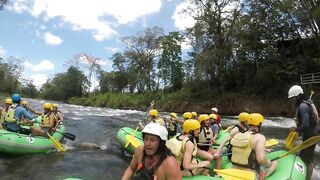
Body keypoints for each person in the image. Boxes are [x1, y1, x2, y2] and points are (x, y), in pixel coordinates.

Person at [229, 113, 278, 178]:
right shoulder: (259, 137)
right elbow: (261, 159)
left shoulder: (238, 135)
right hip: (249, 174)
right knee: (275, 163)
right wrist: (270, 163)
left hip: (233, 170)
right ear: (259, 124)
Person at [288, 85, 317, 180]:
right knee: (303, 157)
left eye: (292, 98)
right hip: (312, 135)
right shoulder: (307, 103)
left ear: (298, 96)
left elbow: (306, 124)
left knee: (307, 160)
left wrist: (295, 130)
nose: (292, 100)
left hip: (310, 136)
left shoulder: (303, 106)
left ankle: (307, 179)